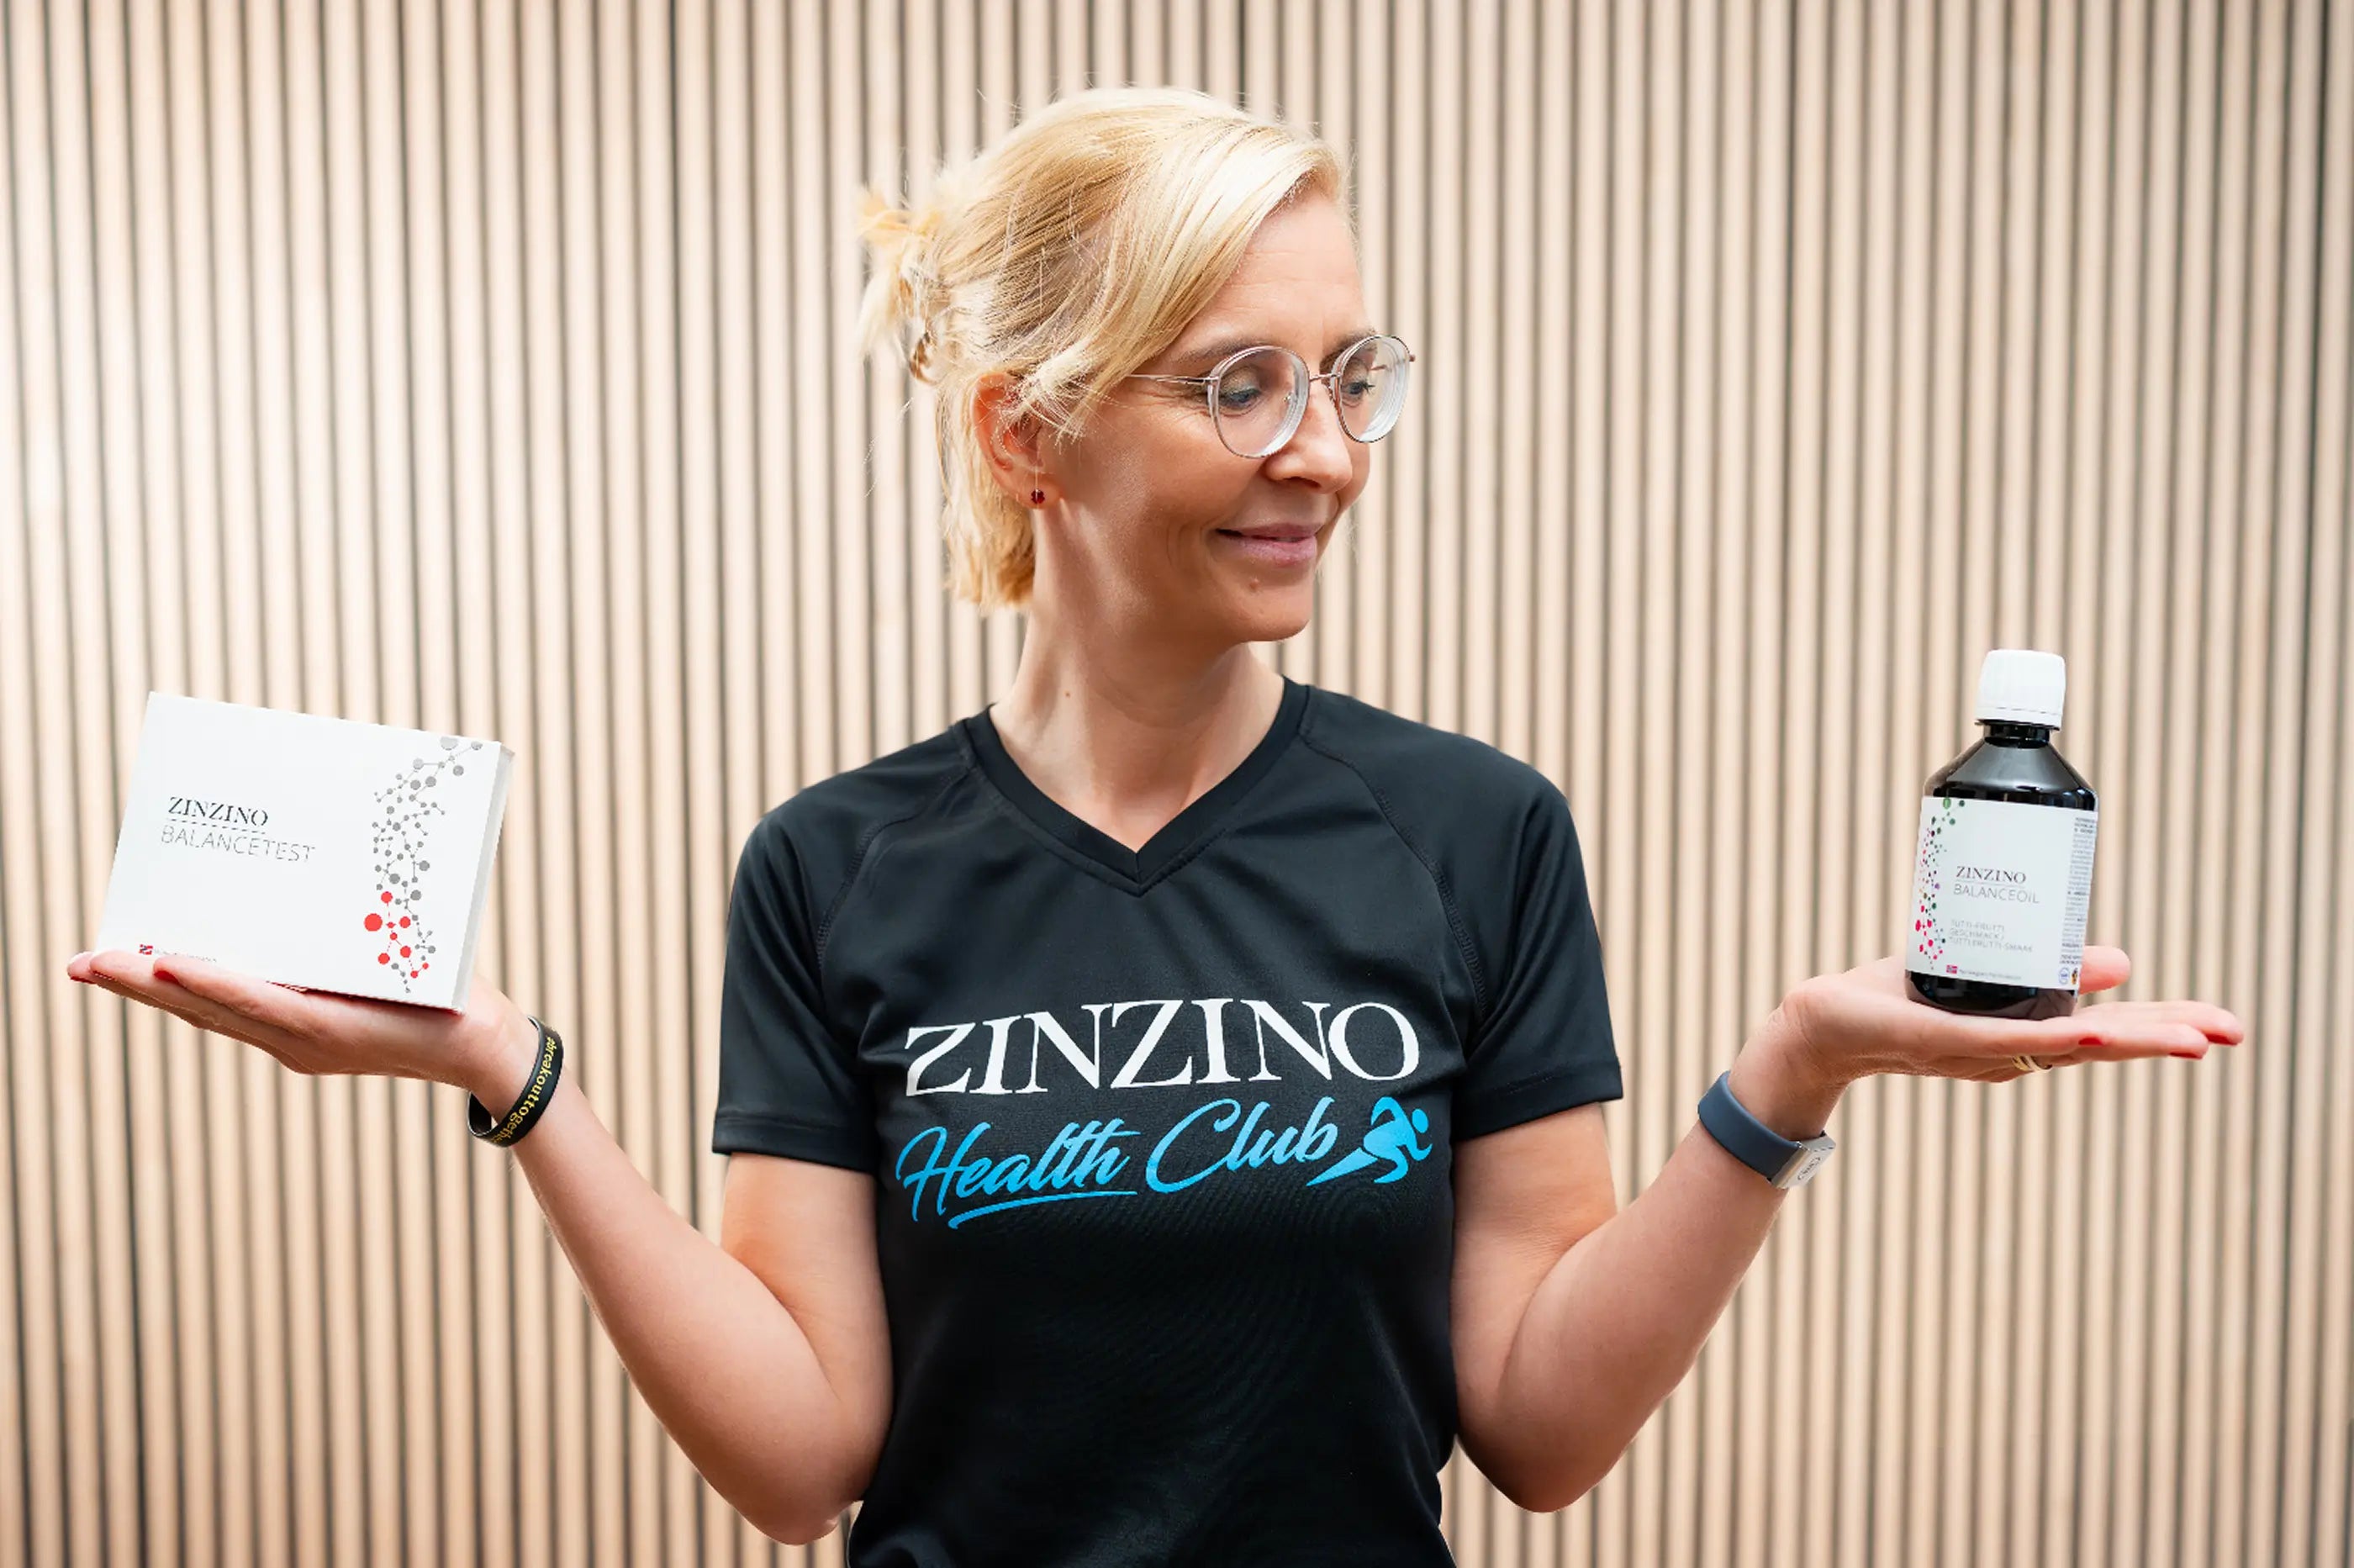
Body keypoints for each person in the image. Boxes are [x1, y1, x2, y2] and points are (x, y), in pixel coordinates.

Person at [65, 85, 2245, 1566]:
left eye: (1353, 374)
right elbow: (804, 1465)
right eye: (1239, 381)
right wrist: (507, 1071)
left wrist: (1788, 1074)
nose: (1329, 452)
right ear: (1028, 430)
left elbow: (1540, 1430)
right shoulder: (834, 865)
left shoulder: (1474, 830)